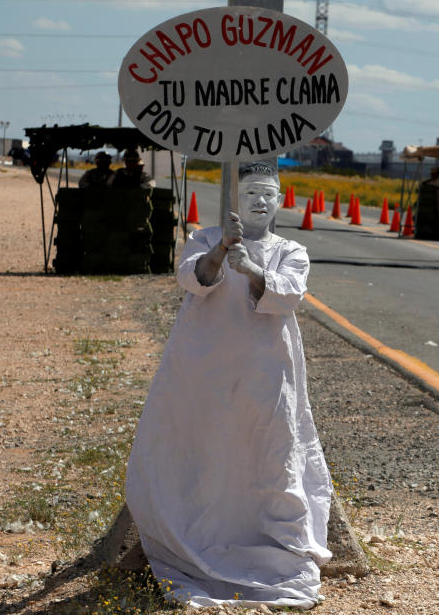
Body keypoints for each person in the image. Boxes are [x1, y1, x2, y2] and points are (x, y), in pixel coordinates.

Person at [125, 162, 332, 609]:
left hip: (265, 367)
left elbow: (291, 294)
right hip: (203, 363)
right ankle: (198, 537)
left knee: (268, 450)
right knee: (204, 445)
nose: (260, 201)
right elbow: (191, 279)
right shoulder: (204, 237)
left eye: (268, 194)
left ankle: (270, 540)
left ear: (280, 200)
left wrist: (255, 270)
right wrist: (221, 251)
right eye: (251, 192)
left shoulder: (291, 249)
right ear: (235, 200)